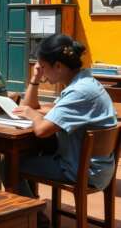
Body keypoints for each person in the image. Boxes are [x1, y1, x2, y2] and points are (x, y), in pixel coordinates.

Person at [8, 34, 117, 200]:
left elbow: (42, 130)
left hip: (82, 170)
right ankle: (36, 215)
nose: (41, 72)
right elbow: (32, 106)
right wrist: (35, 79)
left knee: (9, 164)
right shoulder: (84, 83)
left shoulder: (79, 92)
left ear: (58, 66)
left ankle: (32, 216)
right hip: (93, 166)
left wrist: (34, 116)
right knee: (24, 155)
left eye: (43, 67)